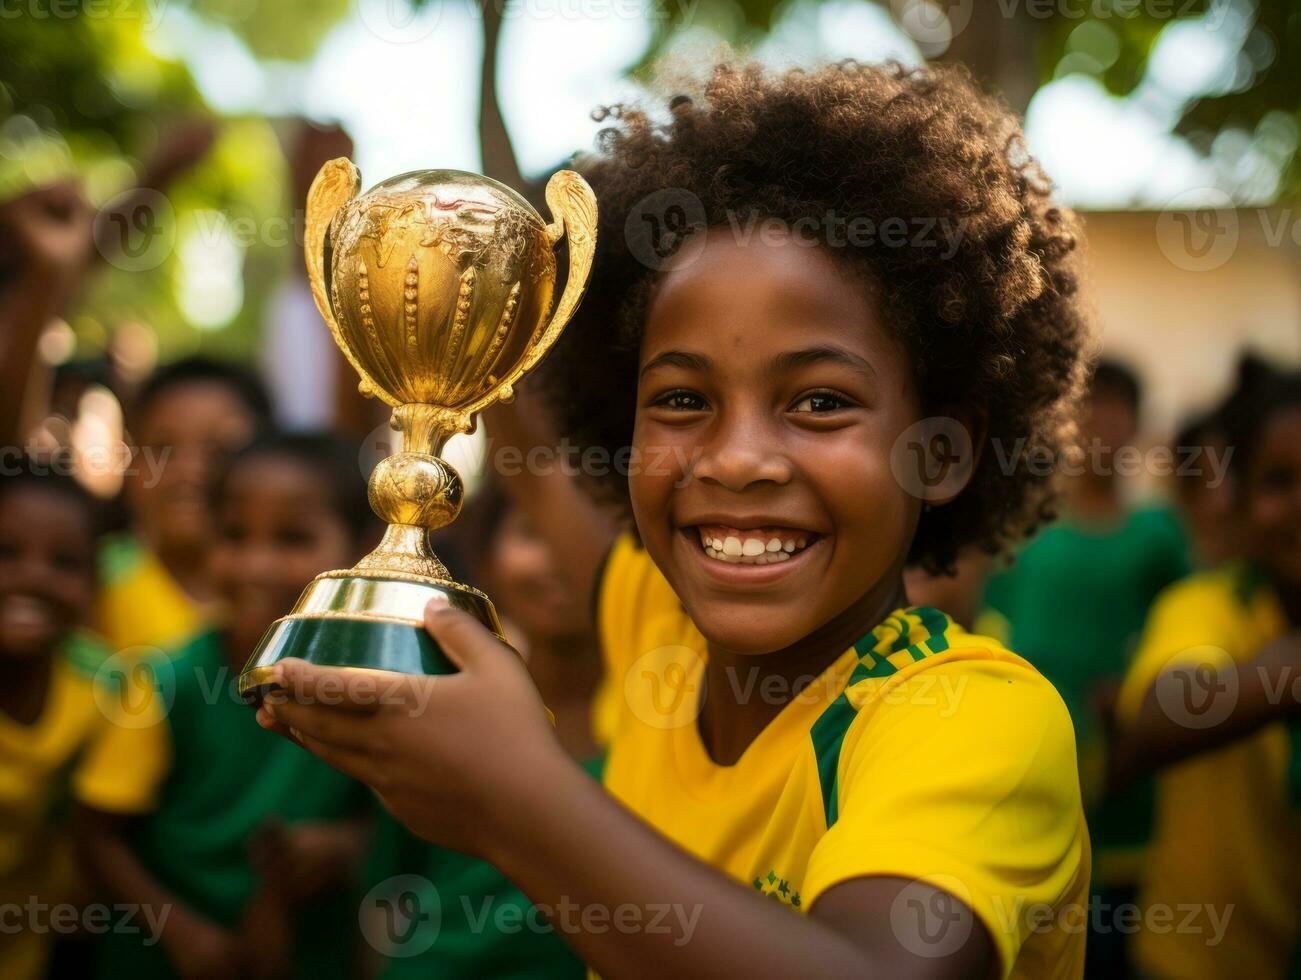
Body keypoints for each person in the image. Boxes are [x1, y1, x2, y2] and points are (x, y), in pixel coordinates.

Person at [258, 61, 1093, 977]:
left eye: (818, 402)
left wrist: (518, 802)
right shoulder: (661, 630)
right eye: (682, 400)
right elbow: (528, 433)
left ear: (939, 452)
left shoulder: (973, 718)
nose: (735, 459)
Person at [80, 432, 378, 980]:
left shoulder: (374, 687)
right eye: (234, 536)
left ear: (364, 549)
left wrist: (349, 847)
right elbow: (98, 834)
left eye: (293, 538)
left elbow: (402, 823)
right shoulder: (163, 681)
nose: (256, 566)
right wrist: (181, 932)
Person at [979, 358, 1190, 977]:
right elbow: (991, 629)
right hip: (1031, 761)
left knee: (1114, 938)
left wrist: (1139, 692)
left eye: (1119, 407)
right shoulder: (1025, 526)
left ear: (1138, 425)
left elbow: (1185, 636)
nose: (1103, 422)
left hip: (1126, 771)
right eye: (1090, 404)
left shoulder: (1157, 535)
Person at [364, 480, 602, 977]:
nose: (558, 559)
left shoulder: (670, 726)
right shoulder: (439, 706)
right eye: (531, 535)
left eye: (585, 537)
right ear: (486, 561)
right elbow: (387, 891)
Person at [1109, 369, 1301, 980]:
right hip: (1197, 963)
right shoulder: (1210, 606)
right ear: (1236, 501)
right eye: (1279, 481)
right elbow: (1159, 714)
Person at [0, 462, 167, 980]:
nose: (34, 577)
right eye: (6, 554)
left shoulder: (110, 686)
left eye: (65, 562)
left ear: (96, 580)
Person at [95, 356, 271, 653]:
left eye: (220, 450)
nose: (189, 472)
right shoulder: (93, 582)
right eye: (163, 449)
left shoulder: (281, 591)